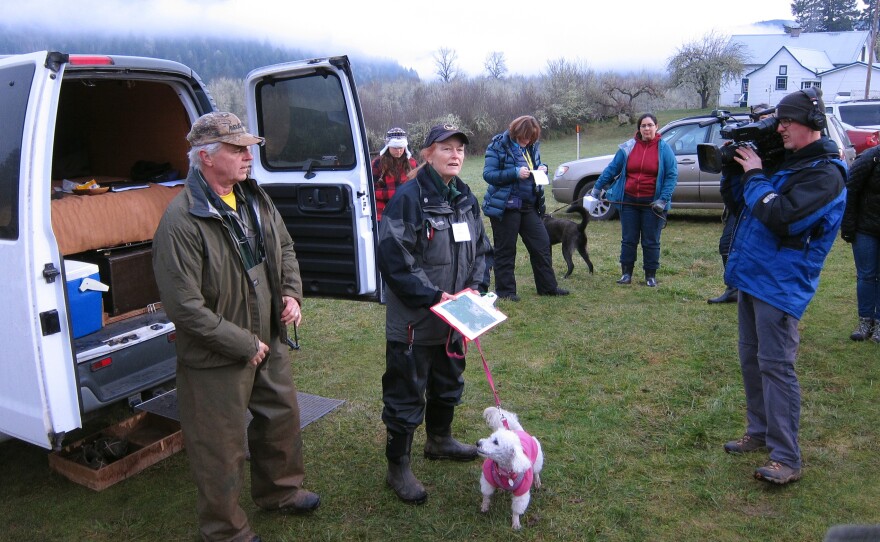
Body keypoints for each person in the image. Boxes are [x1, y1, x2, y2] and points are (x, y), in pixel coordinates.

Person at [153, 112, 319, 541]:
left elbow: (283, 246)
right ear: (206, 158)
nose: (249, 156)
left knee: (280, 418)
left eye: (248, 148)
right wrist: (241, 343)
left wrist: (291, 293)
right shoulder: (180, 221)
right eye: (237, 149)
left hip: (269, 336)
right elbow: (185, 306)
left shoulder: (253, 197)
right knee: (219, 447)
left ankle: (280, 492)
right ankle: (225, 530)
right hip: (218, 353)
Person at [722, 88, 847, 484]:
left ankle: (786, 458)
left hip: (781, 284)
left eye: (786, 122)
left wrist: (757, 174)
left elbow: (783, 217)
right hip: (753, 276)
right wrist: (736, 170)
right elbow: (745, 204)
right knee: (751, 361)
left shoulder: (825, 174)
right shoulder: (791, 163)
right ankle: (758, 433)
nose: (780, 129)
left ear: (809, 124)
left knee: (776, 368)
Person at [377, 123, 491, 504]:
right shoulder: (409, 198)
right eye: (446, 148)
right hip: (415, 322)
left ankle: (439, 440)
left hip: (455, 318)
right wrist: (435, 296)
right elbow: (394, 260)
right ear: (427, 154)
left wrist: (474, 289)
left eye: (460, 148)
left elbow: (481, 250)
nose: (455, 154)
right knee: (406, 393)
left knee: (448, 383)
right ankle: (398, 467)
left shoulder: (466, 198)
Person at [482, 115, 568, 300]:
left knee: (542, 244)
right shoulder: (498, 145)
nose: (526, 140)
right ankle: (506, 292)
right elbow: (489, 174)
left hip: (529, 206)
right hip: (505, 207)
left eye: (531, 137)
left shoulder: (531, 147)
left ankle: (548, 287)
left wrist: (542, 168)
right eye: (524, 137)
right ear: (515, 132)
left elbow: (534, 165)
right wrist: (514, 173)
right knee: (506, 250)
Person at [590, 113, 678, 287]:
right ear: (639, 128)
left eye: (650, 125)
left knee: (651, 240)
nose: (647, 128)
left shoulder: (664, 149)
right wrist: (597, 187)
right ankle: (626, 274)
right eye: (643, 125)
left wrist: (663, 199)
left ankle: (650, 275)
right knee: (628, 239)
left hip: (653, 204)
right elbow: (612, 168)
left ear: (656, 127)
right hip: (629, 202)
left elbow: (671, 175)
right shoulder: (629, 147)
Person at [708, 104, 774, 304]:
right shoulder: (747, 144)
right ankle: (734, 289)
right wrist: (730, 164)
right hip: (741, 206)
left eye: (767, 119)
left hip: (764, 206)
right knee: (727, 245)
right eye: (758, 120)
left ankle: (752, 291)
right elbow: (731, 192)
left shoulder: (776, 153)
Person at [841, 143, 880, 342]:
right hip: (866, 228)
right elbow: (850, 192)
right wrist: (848, 226)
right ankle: (865, 321)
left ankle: (879, 323)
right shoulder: (869, 159)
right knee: (866, 275)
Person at [372, 127, 417, 221]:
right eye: (395, 148)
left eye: (401, 148)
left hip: (407, 210)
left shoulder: (412, 163)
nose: (399, 151)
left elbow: (419, 187)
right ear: (388, 146)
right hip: (383, 212)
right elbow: (371, 191)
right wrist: (398, 193)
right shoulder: (377, 163)